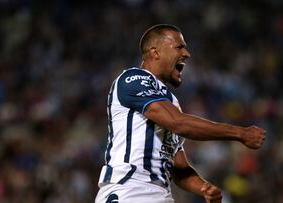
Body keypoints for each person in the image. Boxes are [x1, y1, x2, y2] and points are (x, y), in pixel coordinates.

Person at [95, 24, 266, 203]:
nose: (186, 53)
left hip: (160, 194)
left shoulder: (171, 102)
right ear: (155, 52)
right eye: (179, 47)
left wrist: (203, 188)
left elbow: (178, 167)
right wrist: (240, 133)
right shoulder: (133, 79)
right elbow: (179, 123)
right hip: (130, 189)